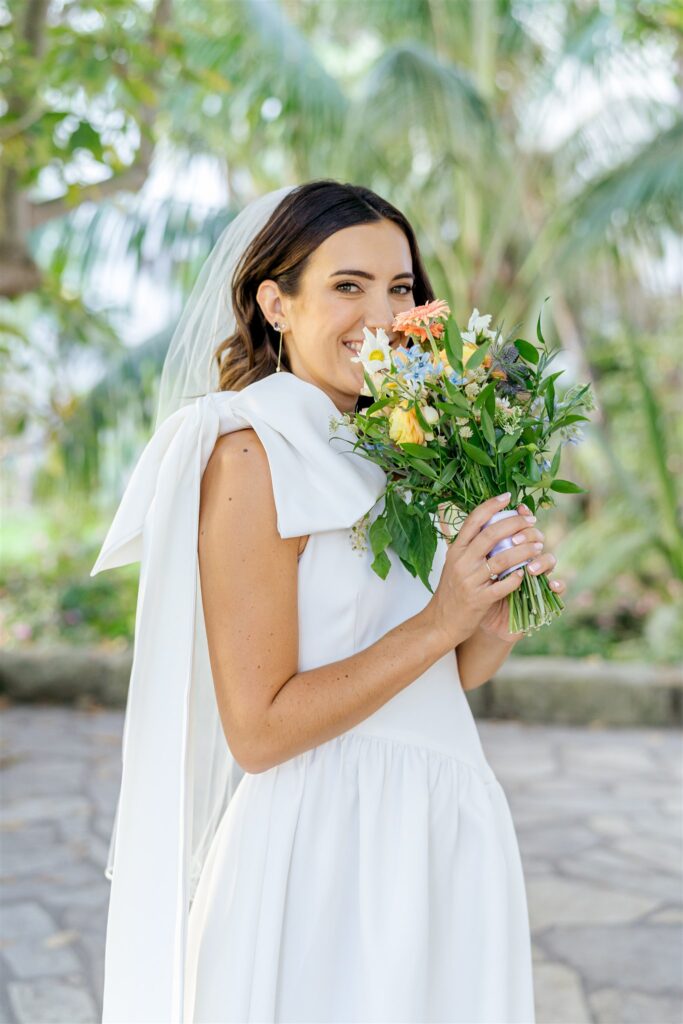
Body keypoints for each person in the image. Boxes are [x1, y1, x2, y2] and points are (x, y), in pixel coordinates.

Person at [91, 179, 563, 1023]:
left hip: (442, 829)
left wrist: (488, 623)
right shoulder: (248, 452)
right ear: (275, 302)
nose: (381, 316)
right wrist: (438, 620)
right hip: (329, 849)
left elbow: (434, 684)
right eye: (347, 286)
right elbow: (260, 731)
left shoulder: (406, 449)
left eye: (401, 289)